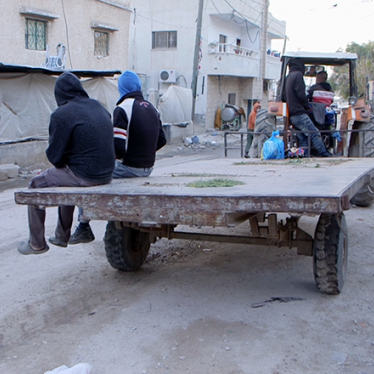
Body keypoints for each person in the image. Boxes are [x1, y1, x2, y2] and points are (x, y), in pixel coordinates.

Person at [18, 72, 115, 255]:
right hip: (107, 174)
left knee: (35, 184)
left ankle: (36, 244)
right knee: (65, 177)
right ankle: (61, 236)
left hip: (86, 175)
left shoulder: (62, 114)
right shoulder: (98, 107)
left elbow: (55, 158)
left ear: (59, 94)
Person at [69, 70, 167, 244]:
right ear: (137, 87)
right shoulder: (152, 107)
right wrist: (145, 153)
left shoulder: (123, 108)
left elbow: (119, 148)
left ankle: (83, 226)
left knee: (88, 176)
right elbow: (162, 140)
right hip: (148, 168)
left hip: (128, 168)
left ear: (121, 88)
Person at [284, 59, 331, 157]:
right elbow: (301, 94)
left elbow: (284, 97)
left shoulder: (288, 77)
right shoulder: (298, 75)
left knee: (302, 137)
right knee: (314, 133)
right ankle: (324, 153)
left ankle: (304, 154)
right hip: (299, 112)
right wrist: (307, 107)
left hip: (292, 114)